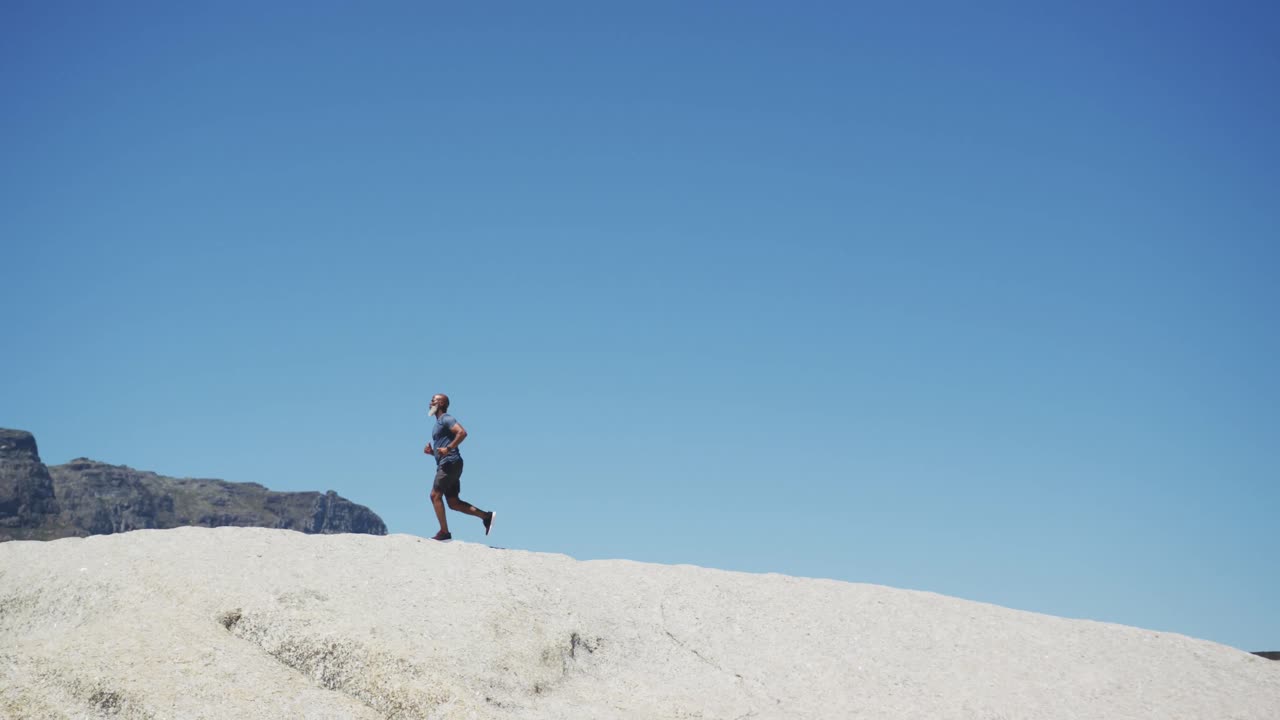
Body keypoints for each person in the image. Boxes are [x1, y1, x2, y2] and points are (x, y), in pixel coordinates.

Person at [424, 393, 495, 541]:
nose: (430, 403)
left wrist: (448, 449)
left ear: (442, 404)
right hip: (451, 463)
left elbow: (462, 433)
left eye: (434, 400)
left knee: (434, 495)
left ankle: (444, 532)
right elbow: (443, 449)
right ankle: (486, 516)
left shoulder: (445, 419)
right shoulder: (437, 424)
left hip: (450, 462)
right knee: (453, 502)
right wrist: (433, 453)